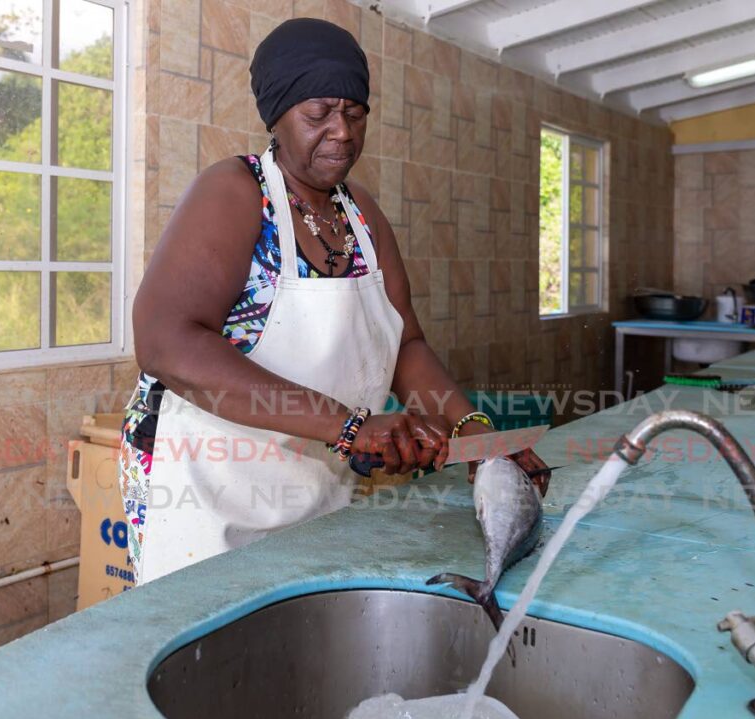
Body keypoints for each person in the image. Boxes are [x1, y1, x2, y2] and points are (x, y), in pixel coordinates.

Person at [118, 18, 551, 585]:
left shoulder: (361, 215)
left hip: (314, 490)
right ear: (277, 115)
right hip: (207, 491)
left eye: (353, 112)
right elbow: (164, 341)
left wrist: (473, 429)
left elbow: (405, 344)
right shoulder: (234, 192)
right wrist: (348, 427)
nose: (342, 132)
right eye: (318, 114)